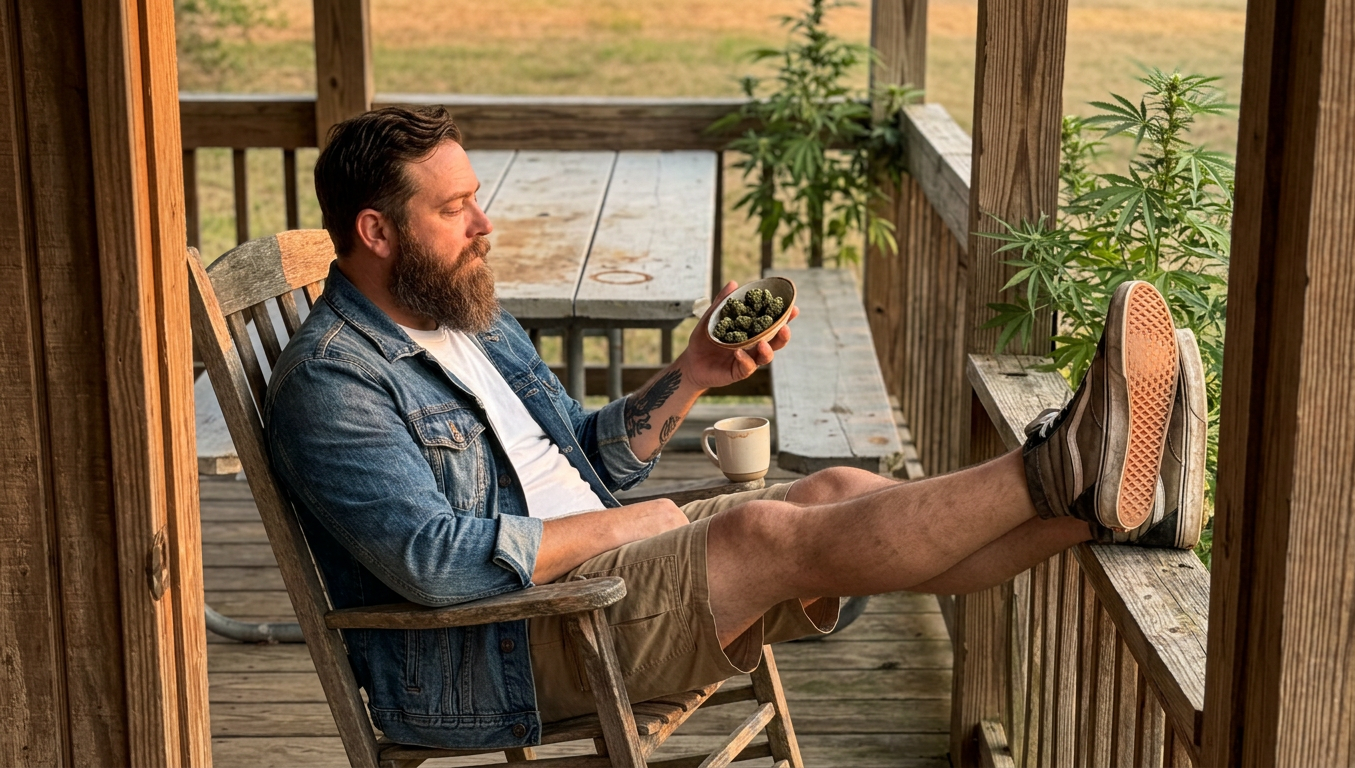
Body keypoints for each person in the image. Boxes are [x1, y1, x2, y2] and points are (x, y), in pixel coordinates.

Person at [264, 106, 1207, 751]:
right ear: (377, 233)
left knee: (835, 488)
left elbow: (585, 459)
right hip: (508, 644)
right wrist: (633, 527)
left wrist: (693, 375)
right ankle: (1059, 465)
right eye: (454, 206)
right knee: (763, 531)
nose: (485, 222)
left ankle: (1103, 509)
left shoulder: (464, 311)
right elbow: (434, 564)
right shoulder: (332, 382)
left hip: (586, 582)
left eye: (476, 193)